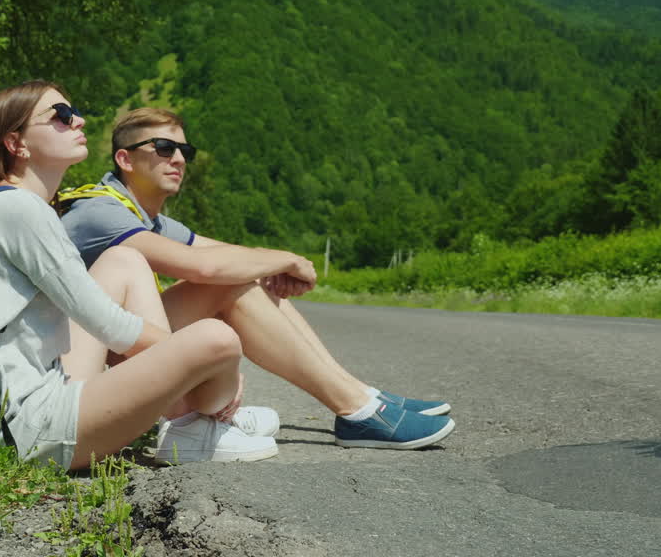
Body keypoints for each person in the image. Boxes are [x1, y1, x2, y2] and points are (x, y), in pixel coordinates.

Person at [60, 107, 455, 455]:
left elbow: (219, 251)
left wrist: (271, 267)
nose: (179, 158)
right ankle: (355, 409)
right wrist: (287, 259)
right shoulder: (101, 211)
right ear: (125, 159)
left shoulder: (151, 217)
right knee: (229, 283)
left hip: (117, 348)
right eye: (163, 148)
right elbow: (205, 269)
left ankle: (360, 395)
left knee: (244, 276)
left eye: (185, 151)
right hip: (81, 368)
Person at [0, 81, 279, 470]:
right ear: (16, 144)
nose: (78, 121)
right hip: (30, 427)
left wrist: (186, 366)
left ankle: (190, 423)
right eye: (61, 116)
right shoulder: (19, 210)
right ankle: (197, 421)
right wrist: (194, 362)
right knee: (218, 340)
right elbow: (109, 325)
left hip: (37, 394)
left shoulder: (19, 205)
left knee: (124, 260)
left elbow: (97, 311)